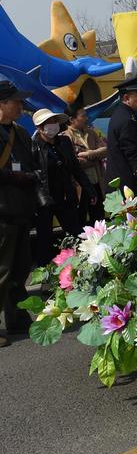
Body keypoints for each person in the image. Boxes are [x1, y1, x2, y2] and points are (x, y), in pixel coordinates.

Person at [0, 81, 39, 347]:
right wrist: (13, 175)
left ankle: (16, 317)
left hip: (22, 209)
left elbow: (34, 164)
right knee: (1, 270)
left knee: (20, 268)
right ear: (2, 104)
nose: (21, 106)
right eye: (16, 101)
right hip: (2, 211)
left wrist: (30, 176)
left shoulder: (22, 134)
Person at [32, 108, 96, 265]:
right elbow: (33, 175)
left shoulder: (64, 142)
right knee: (44, 240)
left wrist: (89, 189)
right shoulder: (33, 146)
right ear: (40, 127)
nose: (53, 125)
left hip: (66, 196)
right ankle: (46, 275)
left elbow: (76, 168)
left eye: (54, 121)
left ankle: (83, 267)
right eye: (48, 123)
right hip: (44, 201)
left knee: (76, 233)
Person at [106, 75, 137, 206]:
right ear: (127, 98)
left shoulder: (122, 115)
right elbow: (134, 156)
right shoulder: (127, 120)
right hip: (128, 186)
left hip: (124, 184)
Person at [64, 104, 107, 224]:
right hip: (80, 186)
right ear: (72, 119)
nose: (87, 118)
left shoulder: (91, 133)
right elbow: (74, 163)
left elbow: (105, 150)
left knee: (98, 218)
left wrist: (88, 154)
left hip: (96, 182)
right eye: (83, 116)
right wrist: (95, 159)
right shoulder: (66, 136)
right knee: (80, 219)